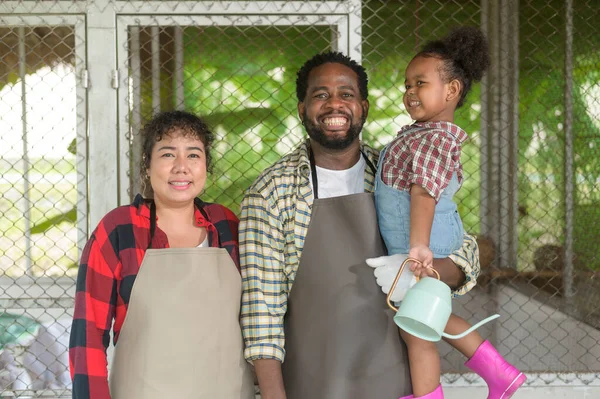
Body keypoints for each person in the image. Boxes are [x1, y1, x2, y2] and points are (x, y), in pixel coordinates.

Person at [239, 51, 480, 399]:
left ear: (364, 108)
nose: (334, 104)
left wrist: (422, 271)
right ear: (301, 109)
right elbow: (261, 313)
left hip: (395, 381)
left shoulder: (394, 170)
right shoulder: (271, 194)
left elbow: (465, 252)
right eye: (320, 95)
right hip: (312, 382)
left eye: (346, 94)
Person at [374, 27, 526, 399]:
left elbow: (423, 192)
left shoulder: (434, 138)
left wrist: (419, 247)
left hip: (432, 248)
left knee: (415, 324)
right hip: (425, 246)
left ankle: (437, 393)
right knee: (421, 319)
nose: (409, 92)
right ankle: (499, 374)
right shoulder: (419, 133)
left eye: (420, 83)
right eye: (407, 85)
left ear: (452, 90)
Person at [69, 110, 254, 399]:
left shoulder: (227, 226)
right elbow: (88, 335)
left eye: (193, 155)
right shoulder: (121, 229)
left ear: (206, 165)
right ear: (147, 165)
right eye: (168, 155)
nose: (182, 167)